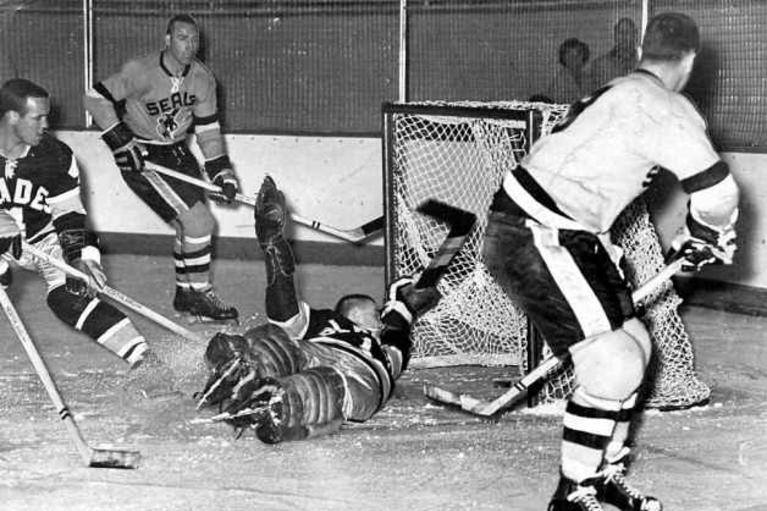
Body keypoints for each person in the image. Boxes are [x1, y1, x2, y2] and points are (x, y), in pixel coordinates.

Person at [483, 12, 738, 511]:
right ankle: (573, 493)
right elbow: (720, 193)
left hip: (557, 232)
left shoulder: (621, 88)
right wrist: (705, 234)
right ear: (689, 59)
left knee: (637, 345)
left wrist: (696, 236)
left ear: (644, 50)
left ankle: (603, 475)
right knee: (613, 362)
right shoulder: (664, 106)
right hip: (538, 233)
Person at [194, 176, 440, 443]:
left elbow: (400, 317)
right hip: (318, 351)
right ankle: (238, 376)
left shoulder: (385, 349)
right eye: (375, 314)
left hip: (360, 376)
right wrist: (274, 246)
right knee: (270, 344)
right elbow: (284, 314)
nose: (380, 320)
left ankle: (277, 405)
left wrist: (406, 300)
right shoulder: (327, 323)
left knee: (318, 388)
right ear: (352, 313)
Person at [0, 78, 172, 397]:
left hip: (44, 239)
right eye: (37, 117)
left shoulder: (56, 155)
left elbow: (69, 216)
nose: (46, 124)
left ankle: (146, 361)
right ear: (12, 117)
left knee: (71, 294)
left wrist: (79, 257)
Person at [83, 13, 239, 322]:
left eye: (194, 39)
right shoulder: (142, 71)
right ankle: (201, 294)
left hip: (178, 153)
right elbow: (94, 98)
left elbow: (208, 130)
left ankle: (185, 295)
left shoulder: (202, 78)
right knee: (200, 223)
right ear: (167, 39)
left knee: (188, 227)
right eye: (182, 38)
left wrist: (222, 171)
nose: (189, 45)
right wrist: (122, 141)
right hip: (143, 156)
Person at [587, 17, 639, 91]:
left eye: (628, 32)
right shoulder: (600, 65)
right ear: (615, 36)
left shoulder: (643, 64)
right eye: (621, 32)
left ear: (635, 36)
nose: (624, 37)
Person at [545, 38, 591, 104]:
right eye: (569, 54)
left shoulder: (588, 78)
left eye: (578, 53)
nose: (574, 58)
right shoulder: (560, 81)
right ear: (563, 57)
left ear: (584, 55)